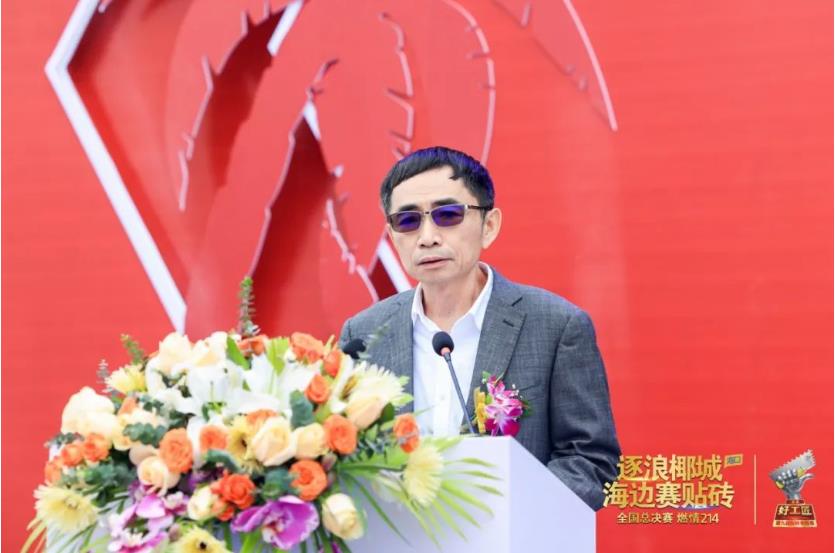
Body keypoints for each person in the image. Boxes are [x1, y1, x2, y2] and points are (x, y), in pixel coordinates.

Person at [338, 146, 620, 510]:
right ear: (392, 236)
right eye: (408, 221)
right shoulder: (363, 335)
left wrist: (508, 514)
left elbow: (591, 461)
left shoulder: (556, 326)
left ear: (489, 226)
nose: (427, 237)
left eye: (448, 215)